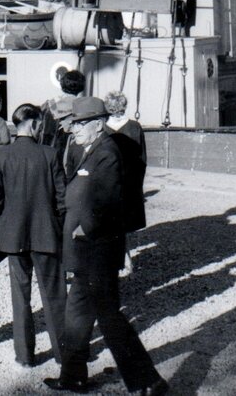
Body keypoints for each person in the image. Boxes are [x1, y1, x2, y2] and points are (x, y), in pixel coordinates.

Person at [46, 97, 167, 395]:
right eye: (72, 123)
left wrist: (81, 229)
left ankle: (148, 381)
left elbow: (108, 203)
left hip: (97, 248)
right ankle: (72, 376)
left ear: (97, 124)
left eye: (79, 123)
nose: (73, 128)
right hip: (86, 249)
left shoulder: (108, 153)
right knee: (77, 313)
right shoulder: (89, 148)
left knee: (109, 317)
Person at [0, 103, 66, 368]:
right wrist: (56, 224)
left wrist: (6, 222)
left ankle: (25, 355)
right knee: (54, 297)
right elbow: (62, 199)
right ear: (33, 124)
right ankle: (62, 354)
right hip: (46, 235)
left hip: (14, 237)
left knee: (21, 298)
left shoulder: (1, 155)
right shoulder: (50, 154)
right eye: (40, 124)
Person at [104, 90, 148, 275]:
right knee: (124, 224)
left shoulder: (102, 129)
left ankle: (117, 258)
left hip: (108, 183)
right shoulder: (134, 127)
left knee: (109, 223)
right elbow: (142, 159)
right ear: (124, 105)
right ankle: (125, 258)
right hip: (129, 182)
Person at [42, 69, 86, 160]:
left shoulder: (49, 105)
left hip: (46, 153)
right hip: (69, 156)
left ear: (62, 84)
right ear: (81, 86)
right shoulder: (82, 108)